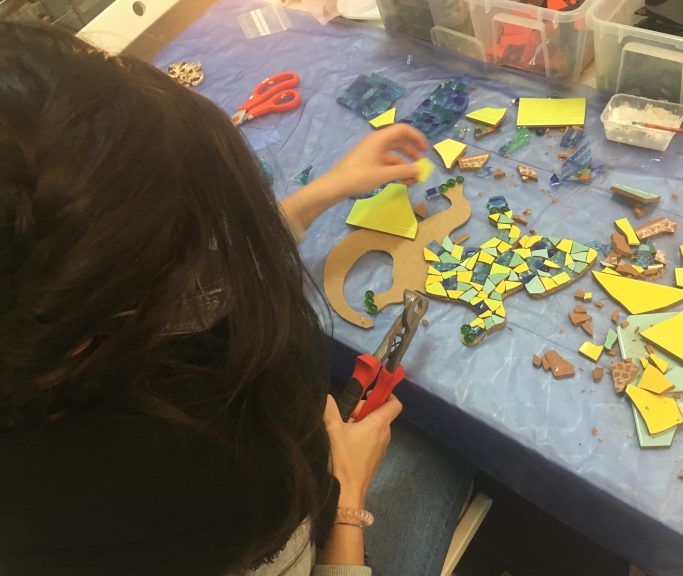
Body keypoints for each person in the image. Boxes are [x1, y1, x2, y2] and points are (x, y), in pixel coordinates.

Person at [0, 21, 472, 576]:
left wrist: (325, 190)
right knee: (441, 453)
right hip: (306, 531)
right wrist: (347, 502)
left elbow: (191, 274)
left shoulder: (45, 315)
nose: (213, 263)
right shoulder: (172, 501)